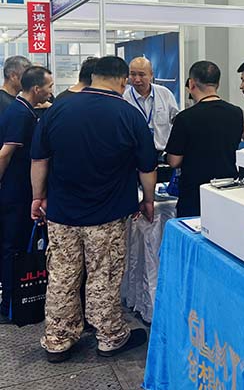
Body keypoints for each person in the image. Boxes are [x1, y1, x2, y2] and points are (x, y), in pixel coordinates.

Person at [30, 56, 157, 362]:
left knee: (62, 275)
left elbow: (39, 159)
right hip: (108, 215)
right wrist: (148, 200)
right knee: (105, 276)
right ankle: (110, 336)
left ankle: (58, 339)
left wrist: (38, 197)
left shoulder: (57, 109)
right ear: (122, 80)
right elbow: (147, 167)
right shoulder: (129, 115)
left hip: (62, 213)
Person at [0, 66, 54, 322]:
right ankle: (10, 303)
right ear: (36, 88)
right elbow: (5, 154)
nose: (51, 91)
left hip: (19, 190)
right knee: (13, 247)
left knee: (18, 245)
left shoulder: (23, 109)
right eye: (49, 87)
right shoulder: (20, 114)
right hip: (15, 193)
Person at [166, 61, 243, 217]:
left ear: (191, 84)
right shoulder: (236, 112)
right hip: (228, 188)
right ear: (218, 83)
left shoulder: (185, 118)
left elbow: (174, 161)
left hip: (195, 192)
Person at [124, 57, 179, 153]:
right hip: (134, 154)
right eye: (133, 74)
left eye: (141, 75)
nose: (137, 79)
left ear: (151, 75)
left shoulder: (165, 94)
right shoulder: (124, 98)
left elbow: (177, 122)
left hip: (162, 153)